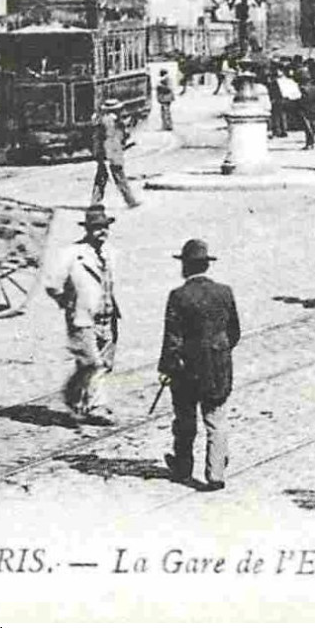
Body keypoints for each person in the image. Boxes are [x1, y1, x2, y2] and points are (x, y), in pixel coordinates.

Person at [158, 238, 241, 491]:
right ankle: (215, 473)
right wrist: (219, 354)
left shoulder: (178, 296)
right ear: (206, 265)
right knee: (216, 419)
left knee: (185, 420)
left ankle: (183, 468)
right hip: (217, 369)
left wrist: (166, 368)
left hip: (187, 371)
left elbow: (172, 338)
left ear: (186, 266)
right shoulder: (225, 292)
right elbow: (234, 332)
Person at [39, 205, 121, 424]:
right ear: (87, 229)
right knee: (92, 363)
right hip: (83, 317)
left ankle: (79, 401)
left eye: (104, 227)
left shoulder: (110, 253)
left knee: (102, 363)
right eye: (96, 228)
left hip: (108, 316)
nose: (101, 232)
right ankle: (97, 406)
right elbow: (52, 284)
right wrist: (67, 303)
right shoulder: (72, 254)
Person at [90, 100, 141, 209]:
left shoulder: (106, 120)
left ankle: (95, 202)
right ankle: (130, 200)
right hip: (111, 153)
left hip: (108, 153)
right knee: (117, 176)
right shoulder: (109, 121)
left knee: (102, 177)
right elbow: (110, 138)